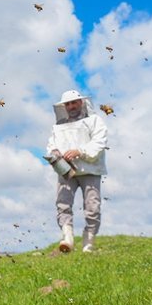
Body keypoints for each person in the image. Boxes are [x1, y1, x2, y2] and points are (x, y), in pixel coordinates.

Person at [46, 90, 108, 253]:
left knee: (92, 206)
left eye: (74, 102)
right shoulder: (58, 127)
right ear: (64, 107)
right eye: (68, 104)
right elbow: (51, 145)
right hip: (66, 171)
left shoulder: (94, 121)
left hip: (90, 169)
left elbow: (99, 142)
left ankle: (88, 243)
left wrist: (79, 151)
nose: (71, 106)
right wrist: (55, 153)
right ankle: (67, 239)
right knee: (63, 204)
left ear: (81, 103)